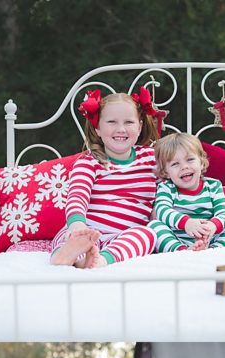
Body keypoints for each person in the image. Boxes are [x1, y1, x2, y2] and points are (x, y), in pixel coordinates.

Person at [50, 89, 162, 269]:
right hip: (88, 229)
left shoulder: (152, 159)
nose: (120, 129)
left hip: (124, 234)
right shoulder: (89, 162)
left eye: (128, 122)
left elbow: (168, 191)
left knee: (147, 234)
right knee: (68, 237)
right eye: (111, 122)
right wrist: (77, 225)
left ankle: (100, 260)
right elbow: (77, 196)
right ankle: (70, 256)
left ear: (140, 127)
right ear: (98, 128)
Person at [147, 133, 225, 252]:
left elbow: (224, 213)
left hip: (209, 237)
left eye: (190, 159)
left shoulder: (213, 186)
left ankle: (213, 251)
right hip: (178, 238)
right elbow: (162, 210)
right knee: (154, 227)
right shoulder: (167, 188)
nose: (184, 167)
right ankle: (182, 251)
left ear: (201, 162)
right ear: (166, 172)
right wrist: (186, 223)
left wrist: (212, 226)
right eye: (175, 164)